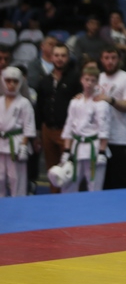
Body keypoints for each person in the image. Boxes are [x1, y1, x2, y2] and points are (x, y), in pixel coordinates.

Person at [35, 43, 82, 193]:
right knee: (52, 170)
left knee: (69, 169)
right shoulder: (45, 80)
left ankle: (70, 199)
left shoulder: (76, 79)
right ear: (51, 57)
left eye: (63, 55)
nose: (60, 59)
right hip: (48, 130)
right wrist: (38, 132)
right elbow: (39, 107)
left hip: (67, 132)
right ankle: (54, 198)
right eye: (56, 55)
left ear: (68, 58)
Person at [58, 66, 110, 193]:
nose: (89, 83)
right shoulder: (75, 102)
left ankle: (94, 206)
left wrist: (102, 152)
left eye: (93, 80)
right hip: (76, 147)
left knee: (94, 186)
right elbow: (69, 126)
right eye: (87, 79)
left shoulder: (101, 103)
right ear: (81, 80)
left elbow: (104, 128)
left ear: (97, 82)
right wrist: (66, 150)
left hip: (94, 148)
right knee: (68, 185)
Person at [96, 47, 126, 190]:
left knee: (121, 181)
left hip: (118, 137)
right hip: (98, 137)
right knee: (101, 182)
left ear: (119, 59)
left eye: (113, 58)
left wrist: (111, 100)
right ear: (101, 59)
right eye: (106, 58)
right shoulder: (97, 77)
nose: (110, 61)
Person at [0, 67, 36, 198]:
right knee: (0, 177)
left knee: (16, 178)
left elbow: (29, 126)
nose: (11, 84)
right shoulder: (0, 101)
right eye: (8, 81)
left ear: (20, 83)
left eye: (15, 81)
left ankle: (19, 205)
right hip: (1, 143)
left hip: (16, 143)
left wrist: (23, 146)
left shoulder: (24, 103)